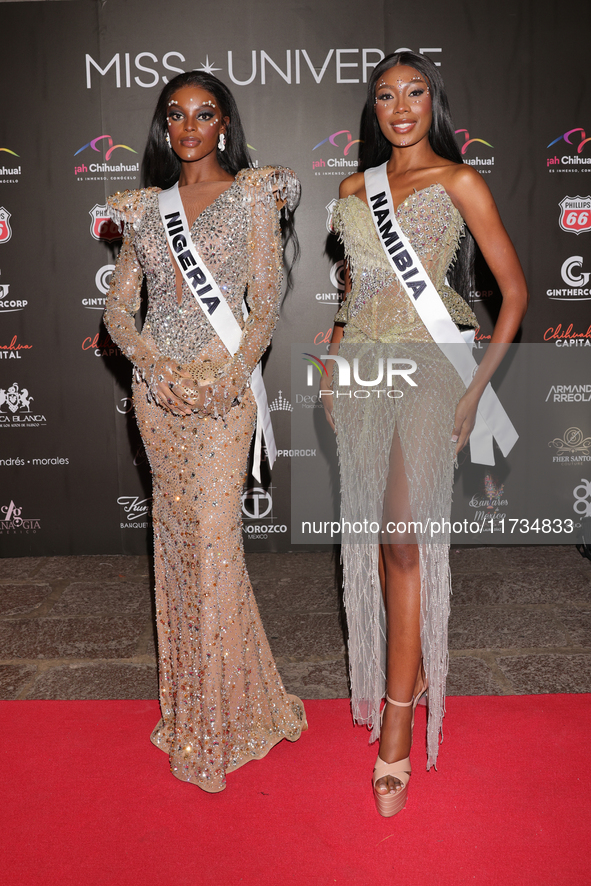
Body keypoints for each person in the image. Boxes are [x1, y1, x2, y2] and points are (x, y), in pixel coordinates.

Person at [321, 51, 528, 816]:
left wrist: (476, 390)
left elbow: (513, 293)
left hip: (430, 374)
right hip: (363, 377)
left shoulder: (459, 182)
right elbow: (354, 291)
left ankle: (397, 730)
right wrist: (334, 357)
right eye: (385, 96)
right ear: (371, 109)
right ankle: (394, 678)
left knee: (404, 540)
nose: (399, 107)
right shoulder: (352, 191)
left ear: (431, 103)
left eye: (413, 94)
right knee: (381, 539)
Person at [104, 71, 306, 793]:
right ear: (165, 127)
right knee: (181, 549)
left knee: (216, 546)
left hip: (223, 398)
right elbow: (118, 313)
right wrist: (153, 364)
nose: (190, 126)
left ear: (224, 124)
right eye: (176, 115)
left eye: (205, 113)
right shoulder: (143, 211)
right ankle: (194, 708)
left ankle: (221, 725)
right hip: (158, 399)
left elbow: (262, 306)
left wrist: (227, 374)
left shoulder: (253, 194)